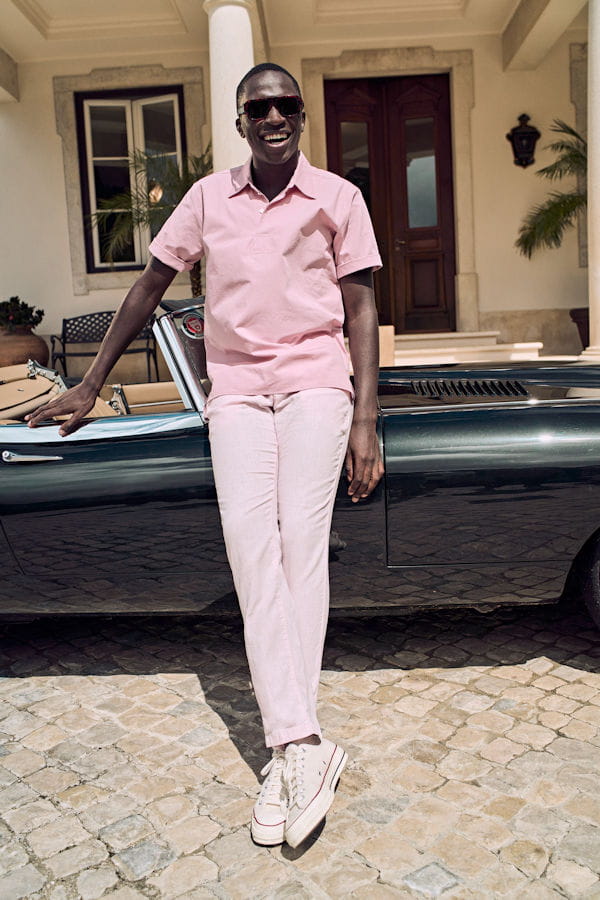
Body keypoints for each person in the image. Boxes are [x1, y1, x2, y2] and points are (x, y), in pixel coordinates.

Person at [27, 62, 384, 848]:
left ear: (301, 115)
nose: (275, 116)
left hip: (316, 384)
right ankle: (302, 745)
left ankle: (289, 747)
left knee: (300, 546)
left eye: (287, 104)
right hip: (239, 393)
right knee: (252, 552)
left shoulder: (338, 198)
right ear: (240, 120)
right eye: (260, 107)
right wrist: (90, 383)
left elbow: (361, 308)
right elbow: (147, 287)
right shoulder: (206, 200)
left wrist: (366, 416)